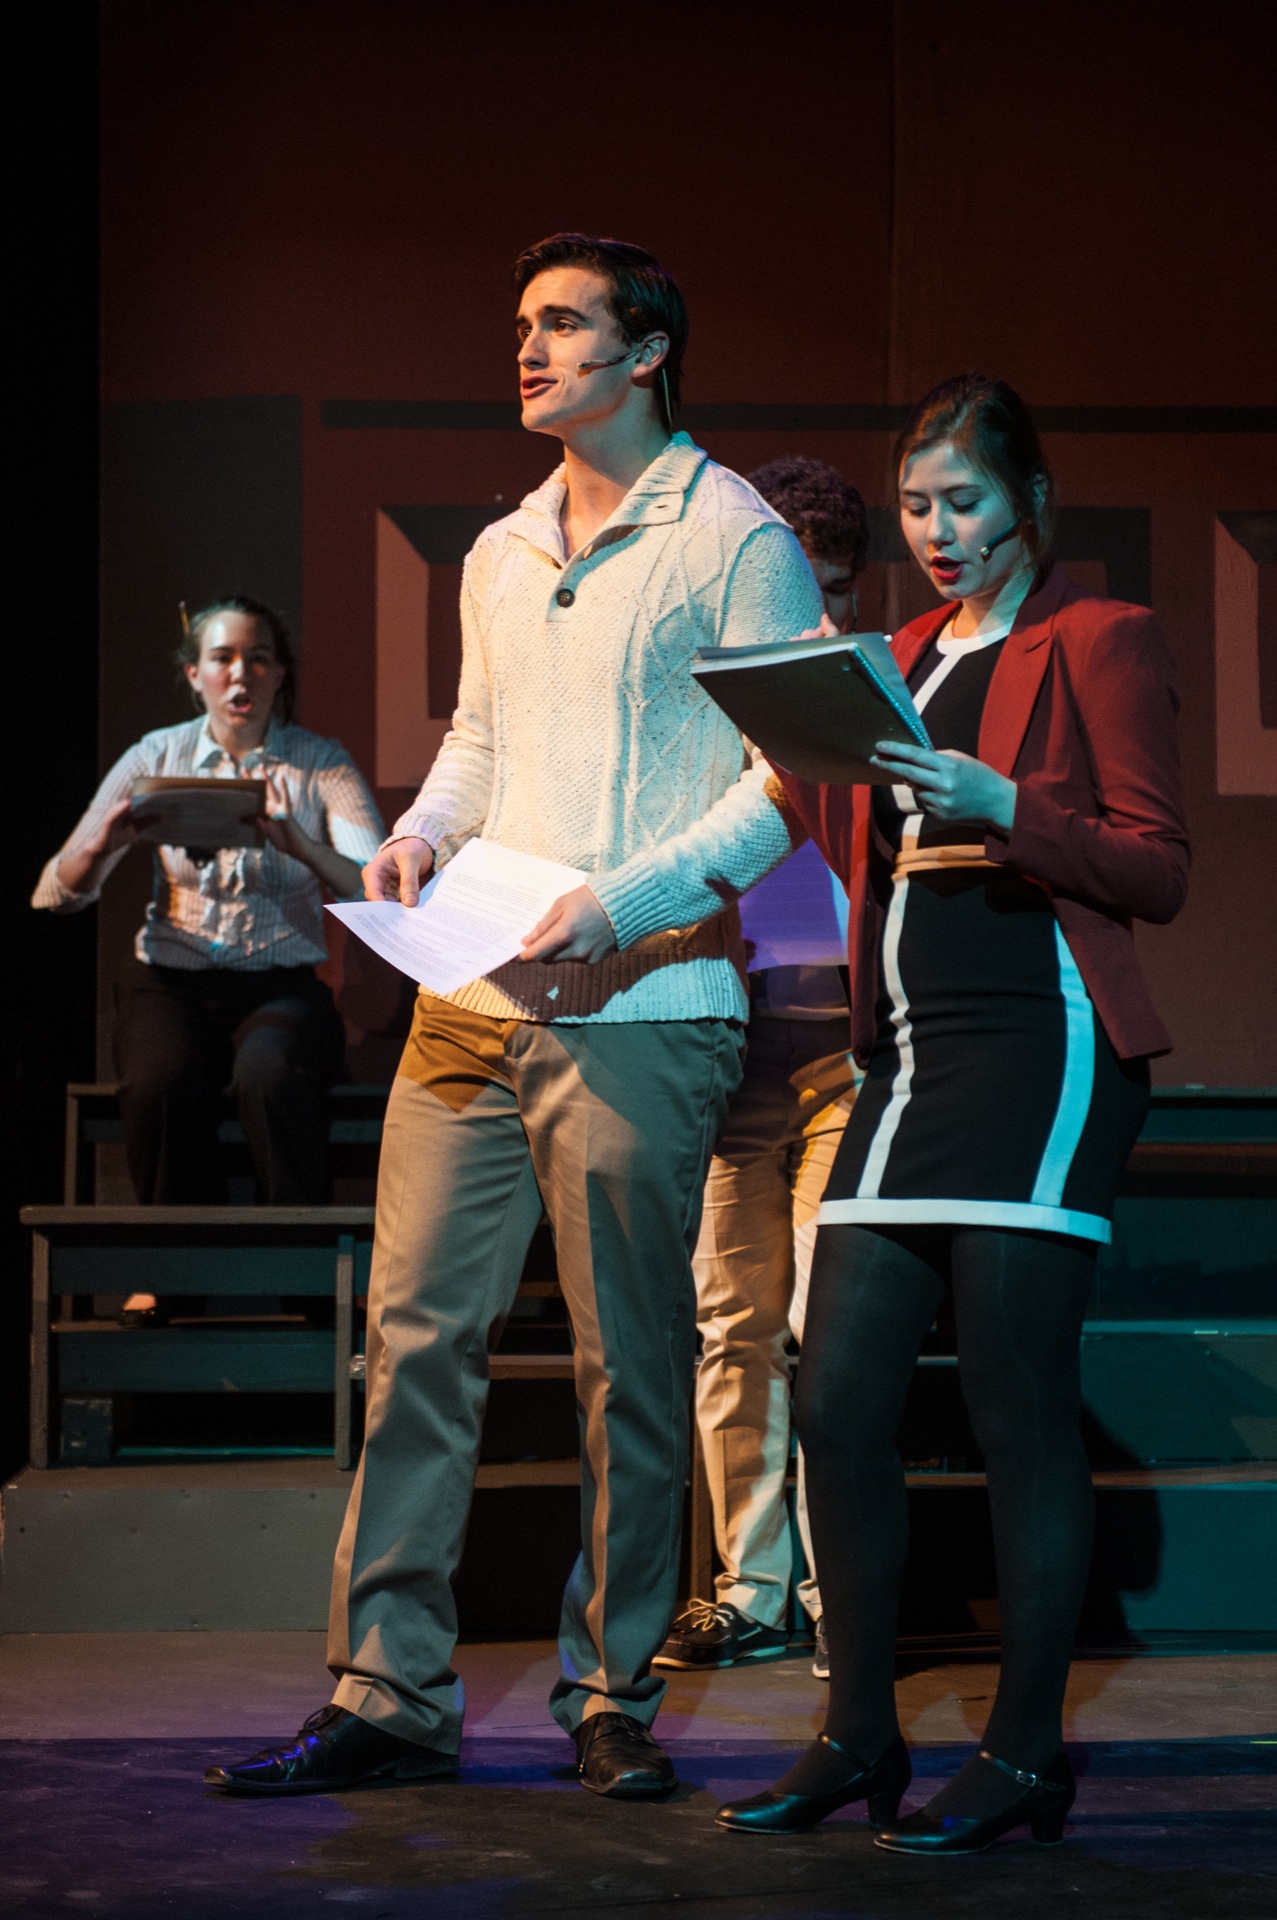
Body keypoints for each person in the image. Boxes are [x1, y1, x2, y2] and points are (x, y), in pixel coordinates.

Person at [203, 234, 822, 1803]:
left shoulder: (734, 537)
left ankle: (611, 1693)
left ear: (647, 351)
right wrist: (421, 833)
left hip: (640, 1002)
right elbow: (480, 741)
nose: (529, 349)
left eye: (561, 323)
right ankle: (388, 1693)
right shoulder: (501, 544)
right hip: (472, 997)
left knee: (629, 1366)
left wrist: (626, 903)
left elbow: (788, 785)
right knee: (413, 1341)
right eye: (523, 325)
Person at [717, 374, 1188, 1849]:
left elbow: (1156, 868)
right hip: (906, 1061)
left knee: (1012, 1402)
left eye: (964, 500)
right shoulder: (896, 658)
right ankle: (857, 1734)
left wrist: (1007, 807)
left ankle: (1027, 1751)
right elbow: (820, 834)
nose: (935, 529)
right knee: (837, 1398)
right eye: (916, 504)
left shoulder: (1099, 637)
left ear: (1030, 502)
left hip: (1043, 1046)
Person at [655, 459, 867, 1681]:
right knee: (730, 1326)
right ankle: (753, 1590)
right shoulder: (706, 704)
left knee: (819, 1329)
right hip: (731, 1054)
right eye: (794, 590)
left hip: (845, 1055)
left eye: (830, 590)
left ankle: (842, 1592)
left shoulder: (870, 691)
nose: (811, 616)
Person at [33, 598, 384, 1306]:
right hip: (171, 980)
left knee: (270, 1076)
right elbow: (54, 891)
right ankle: (173, 1274)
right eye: (222, 658)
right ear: (194, 674)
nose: (240, 674)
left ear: (279, 674)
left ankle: (303, 1276)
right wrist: (108, 843)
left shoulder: (318, 763)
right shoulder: (155, 755)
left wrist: (300, 844)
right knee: (161, 1078)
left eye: (258, 658)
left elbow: (377, 887)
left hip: (278, 986)